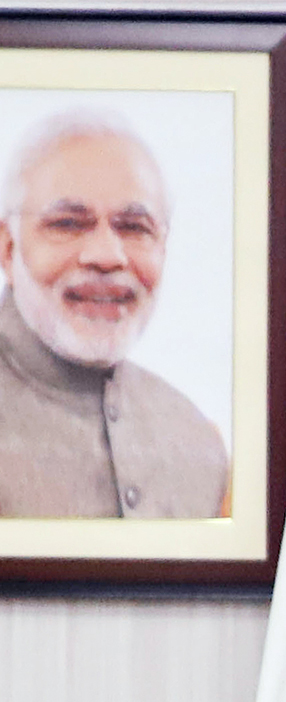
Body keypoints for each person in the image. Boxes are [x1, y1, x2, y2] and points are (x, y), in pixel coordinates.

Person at [0, 110, 228, 518]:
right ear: (8, 247)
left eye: (134, 227)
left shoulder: (199, 446)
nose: (107, 256)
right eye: (68, 223)